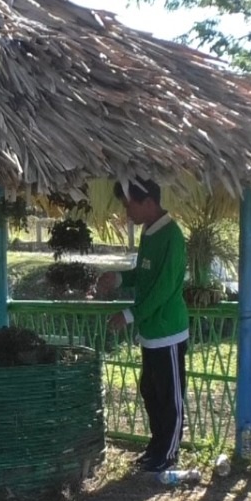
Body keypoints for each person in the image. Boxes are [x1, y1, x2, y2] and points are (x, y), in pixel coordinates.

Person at [93, 178, 190, 473]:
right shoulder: (150, 233)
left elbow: (163, 288)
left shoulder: (172, 236)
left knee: (170, 395)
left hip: (168, 330)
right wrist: (120, 278)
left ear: (147, 202)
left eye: (128, 206)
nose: (127, 213)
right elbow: (145, 274)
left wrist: (130, 315)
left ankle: (169, 452)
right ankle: (157, 446)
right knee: (150, 390)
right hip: (150, 332)